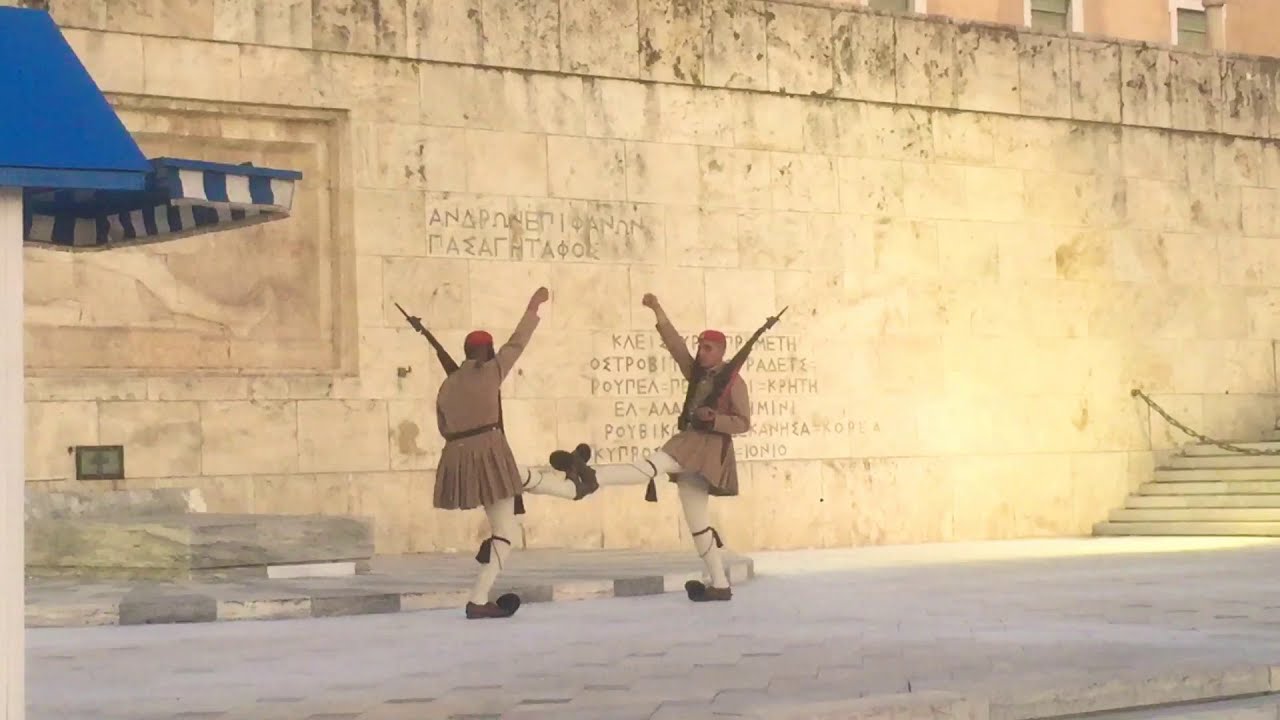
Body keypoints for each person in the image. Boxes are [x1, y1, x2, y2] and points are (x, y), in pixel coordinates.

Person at [432, 286, 597, 620]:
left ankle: (573, 485)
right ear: (488, 351)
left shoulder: (447, 385)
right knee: (506, 530)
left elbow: (444, 426)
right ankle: (575, 487)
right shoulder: (492, 371)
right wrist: (533, 308)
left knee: (519, 489)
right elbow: (517, 344)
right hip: (491, 455)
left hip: (459, 458)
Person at [581, 293, 752, 602]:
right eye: (700, 346)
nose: (701, 352)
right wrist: (658, 311)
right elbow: (676, 349)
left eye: (708, 348)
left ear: (722, 352)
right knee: (698, 523)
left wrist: (714, 419)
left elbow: (742, 423)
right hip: (691, 447)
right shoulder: (699, 375)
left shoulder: (734, 383)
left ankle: (592, 477)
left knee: (648, 467)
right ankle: (719, 584)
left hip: (704, 448)